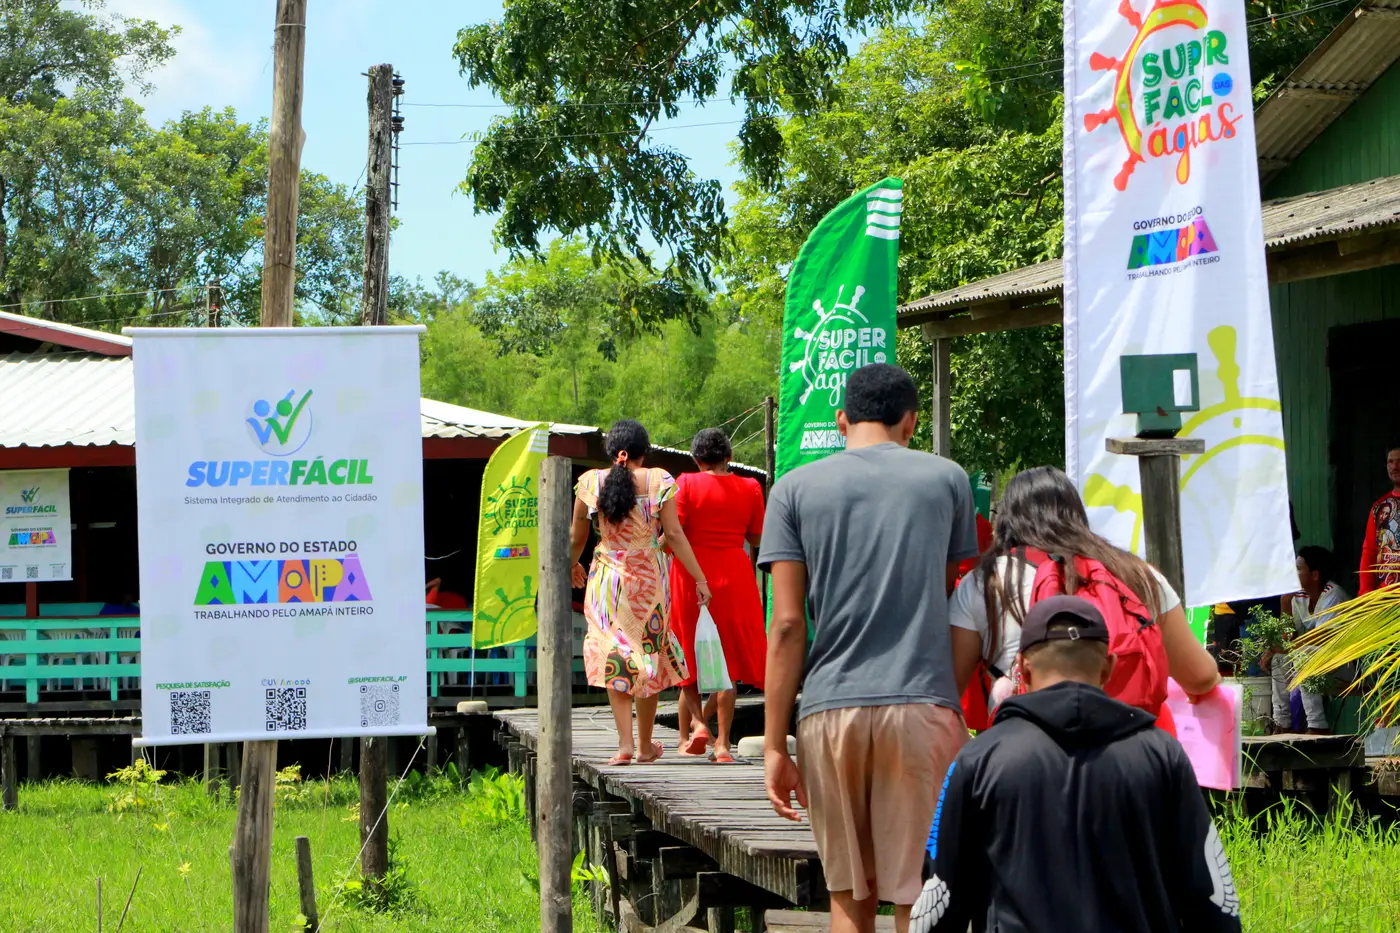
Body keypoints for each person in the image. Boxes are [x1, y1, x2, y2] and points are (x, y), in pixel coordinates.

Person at [760, 363, 981, 933]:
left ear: (841, 420)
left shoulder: (792, 490)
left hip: (829, 712)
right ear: (911, 422)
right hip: (922, 707)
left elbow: (787, 625)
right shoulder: (948, 479)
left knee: (848, 898)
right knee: (920, 894)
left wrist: (774, 745)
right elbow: (956, 596)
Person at [911, 595, 1242, 933]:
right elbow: (1213, 899)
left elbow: (940, 901)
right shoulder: (1163, 755)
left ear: (1023, 667)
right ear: (1108, 667)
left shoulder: (979, 759)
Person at [949, 465, 1221, 730]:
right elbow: (1201, 676)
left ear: (1006, 523)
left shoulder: (986, 582)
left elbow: (947, 695)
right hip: (1126, 747)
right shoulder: (1137, 575)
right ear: (1077, 515)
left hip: (1026, 748)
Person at [570, 420, 711, 765]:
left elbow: (577, 538)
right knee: (648, 654)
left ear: (612, 452)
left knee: (615, 654)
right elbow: (673, 535)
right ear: (643, 452)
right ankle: (645, 745)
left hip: (607, 579)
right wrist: (699, 578)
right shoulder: (659, 480)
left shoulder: (590, 482)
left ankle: (625, 745)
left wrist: (570, 564)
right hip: (648, 578)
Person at [668, 427, 767, 764]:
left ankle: (698, 724)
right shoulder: (750, 487)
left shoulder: (685, 484)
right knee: (728, 660)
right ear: (729, 457)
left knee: (686, 651)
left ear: (697, 459)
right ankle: (723, 744)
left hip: (691, 573)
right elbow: (756, 536)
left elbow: (675, 531)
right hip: (735, 575)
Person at [1265, 546, 1348, 734]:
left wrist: (1285, 647)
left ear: (1315, 575)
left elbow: (1322, 637)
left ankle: (1317, 726)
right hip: (1317, 665)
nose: (1292, 574)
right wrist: (1285, 603)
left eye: (1298, 569)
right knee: (1279, 659)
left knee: (1303, 654)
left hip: (1346, 665)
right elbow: (1288, 638)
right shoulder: (1299, 596)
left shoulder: (1333, 594)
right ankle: (1282, 723)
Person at [1359, 447, 1400, 594]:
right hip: (1385, 596)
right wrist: (1365, 592)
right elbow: (1369, 551)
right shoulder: (1379, 507)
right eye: (1390, 462)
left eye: (1399, 461)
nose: (1395, 466)